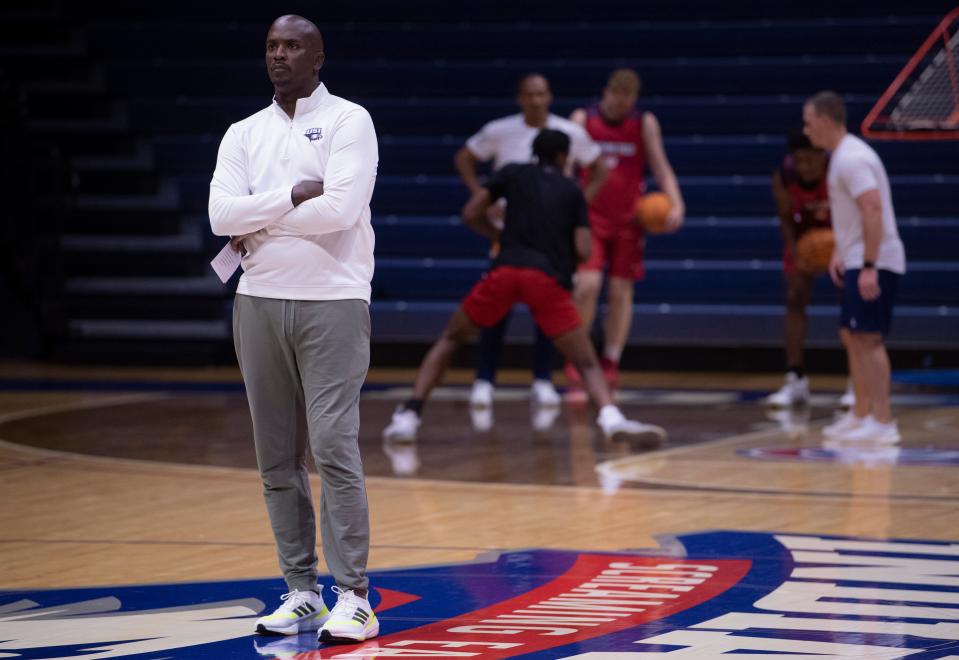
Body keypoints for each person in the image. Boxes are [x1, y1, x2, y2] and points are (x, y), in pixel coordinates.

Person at [209, 15, 378, 644]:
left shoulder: (348, 121)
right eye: (272, 46)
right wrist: (292, 195)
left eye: (293, 46)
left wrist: (262, 216)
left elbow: (341, 211)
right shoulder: (242, 131)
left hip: (332, 299)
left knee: (333, 445)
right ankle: (302, 590)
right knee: (275, 458)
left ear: (319, 56)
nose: (280, 55)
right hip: (256, 301)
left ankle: (355, 596)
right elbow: (220, 214)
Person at [384, 130, 665, 444]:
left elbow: (471, 213)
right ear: (563, 157)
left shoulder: (512, 173)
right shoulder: (572, 190)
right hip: (544, 277)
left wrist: (498, 237)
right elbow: (585, 249)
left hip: (505, 270)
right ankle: (612, 419)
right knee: (586, 361)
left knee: (451, 338)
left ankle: (409, 415)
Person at [453, 73, 608, 409]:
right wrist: (481, 196)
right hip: (511, 228)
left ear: (549, 96)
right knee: (495, 306)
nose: (536, 100)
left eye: (541, 94)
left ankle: (542, 379)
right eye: (530, 94)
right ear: (520, 98)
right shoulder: (500, 130)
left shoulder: (569, 132)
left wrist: (577, 204)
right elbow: (464, 157)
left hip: (550, 233)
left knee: (547, 308)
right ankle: (484, 379)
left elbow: (600, 167)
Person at [568, 69, 685, 395]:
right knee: (587, 286)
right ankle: (580, 356)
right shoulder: (582, 119)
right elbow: (567, 168)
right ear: (606, 93)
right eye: (617, 99)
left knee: (621, 291)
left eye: (627, 101)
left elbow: (661, 167)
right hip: (589, 215)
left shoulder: (643, 122)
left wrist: (676, 203)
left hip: (629, 219)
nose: (621, 106)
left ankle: (611, 360)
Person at [803, 91, 906, 444]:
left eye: (809, 122)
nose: (806, 130)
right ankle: (860, 414)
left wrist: (868, 265)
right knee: (851, 334)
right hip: (858, 256)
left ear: (826, 121)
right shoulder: (841, 157)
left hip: (875, 260)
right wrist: (841, 251)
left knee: (869, 338)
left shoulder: (852, 158)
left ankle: (883, 420)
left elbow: (873, 209)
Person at [764, 128, 831, 407]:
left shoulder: (838, 171)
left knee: (853, 302)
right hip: (803, 235)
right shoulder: (783, 176)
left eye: (810, 159)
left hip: (839, 232)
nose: (804, 166)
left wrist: (837, 250)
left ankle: (857, 384)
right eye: (799, 159)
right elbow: (786, 221)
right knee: (795, 298)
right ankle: (796, 378)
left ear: (822, 156)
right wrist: (798, 255)